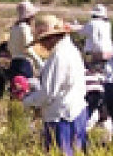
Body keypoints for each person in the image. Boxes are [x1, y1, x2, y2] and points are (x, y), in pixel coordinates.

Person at [23, 14, 88, 156]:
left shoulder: (59, 56)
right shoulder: (70, 50)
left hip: (62, 116)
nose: (42, 45)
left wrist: (27, 101)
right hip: (74, 111)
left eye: (42, 41)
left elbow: (48, 93)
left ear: (51, 38)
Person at [7, 0, 43, 79]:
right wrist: (39, 62)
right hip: (24, 64)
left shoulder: (14, 28)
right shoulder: (25, 28)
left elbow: (9, 47)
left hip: (13, 63)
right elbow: (28, 48)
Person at [73, 4, 113, 71]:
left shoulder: (92, 23)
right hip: (110, 52)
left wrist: (75, 25)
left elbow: (81, 31)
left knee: (93, 70)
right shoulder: (107, 24)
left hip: (98, 54)